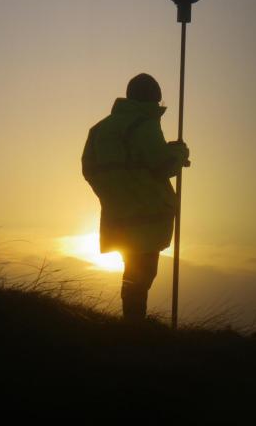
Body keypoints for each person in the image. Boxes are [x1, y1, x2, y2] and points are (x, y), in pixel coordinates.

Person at [82, 73, 190, 323]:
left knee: (132, 272)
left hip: (118, 214)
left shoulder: (99, 129)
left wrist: (116, 191)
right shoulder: (143, 124)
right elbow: (163, 165)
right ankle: (134, 327)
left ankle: (131, 323)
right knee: (142, 274)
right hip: (147, 215)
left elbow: (90, 169)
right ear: (153, 99)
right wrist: (179, 152)